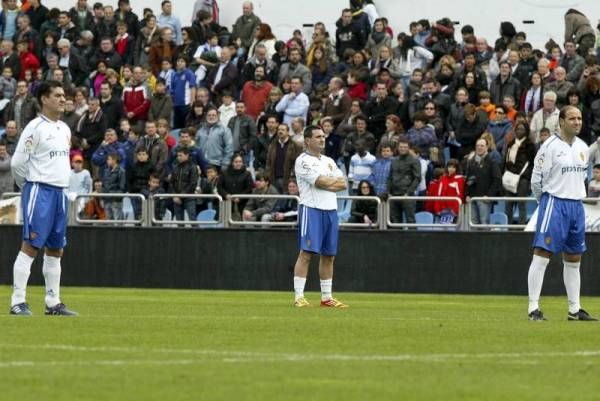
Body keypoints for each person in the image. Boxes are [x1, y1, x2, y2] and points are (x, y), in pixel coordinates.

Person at [9, 80, 77, 316]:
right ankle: (17, 301)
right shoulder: (35, 127)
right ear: (44, 99)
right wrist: (28, 185)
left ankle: (52, 302)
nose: (62, 98)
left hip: (60, 192)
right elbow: (17, 162)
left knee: (56, 249)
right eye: (57, 95)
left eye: (63, 94)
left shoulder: (65, 128)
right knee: (30, 246)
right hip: (40, 191)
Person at [527, 105, 596, 321]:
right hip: (554, 203)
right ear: (562, 122)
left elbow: (583, 177)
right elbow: (535, 179)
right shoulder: (549, 146)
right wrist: (545, 203)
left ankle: (574, 310)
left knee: (574, 258)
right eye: (573, 118)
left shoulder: (583, 147)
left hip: (576, 205)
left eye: (580, 118)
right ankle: (533, 308)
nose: (577, 122)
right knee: (542, 254)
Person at [293, 125, 348, 308]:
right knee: (306, 253)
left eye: (323, 136)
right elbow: (319, 181)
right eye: (317, 136)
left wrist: (327, 183)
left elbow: (343, 184)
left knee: (329, 255)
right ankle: (299, 296)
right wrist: (328, 182)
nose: (322, 139)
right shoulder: (302, 161)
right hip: (312, 209)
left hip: (330, 210)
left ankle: (326, 298)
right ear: (307, 140)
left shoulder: (329, 161)